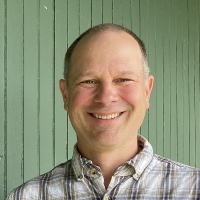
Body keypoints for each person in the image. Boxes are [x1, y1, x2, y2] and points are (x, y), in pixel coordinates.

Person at [7, 23, 200, 200]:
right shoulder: (26, 196)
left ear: (147, 91)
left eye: (124, 79)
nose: (106, 97)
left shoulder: (194, 189)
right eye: (88, 81)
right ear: (65, 95)